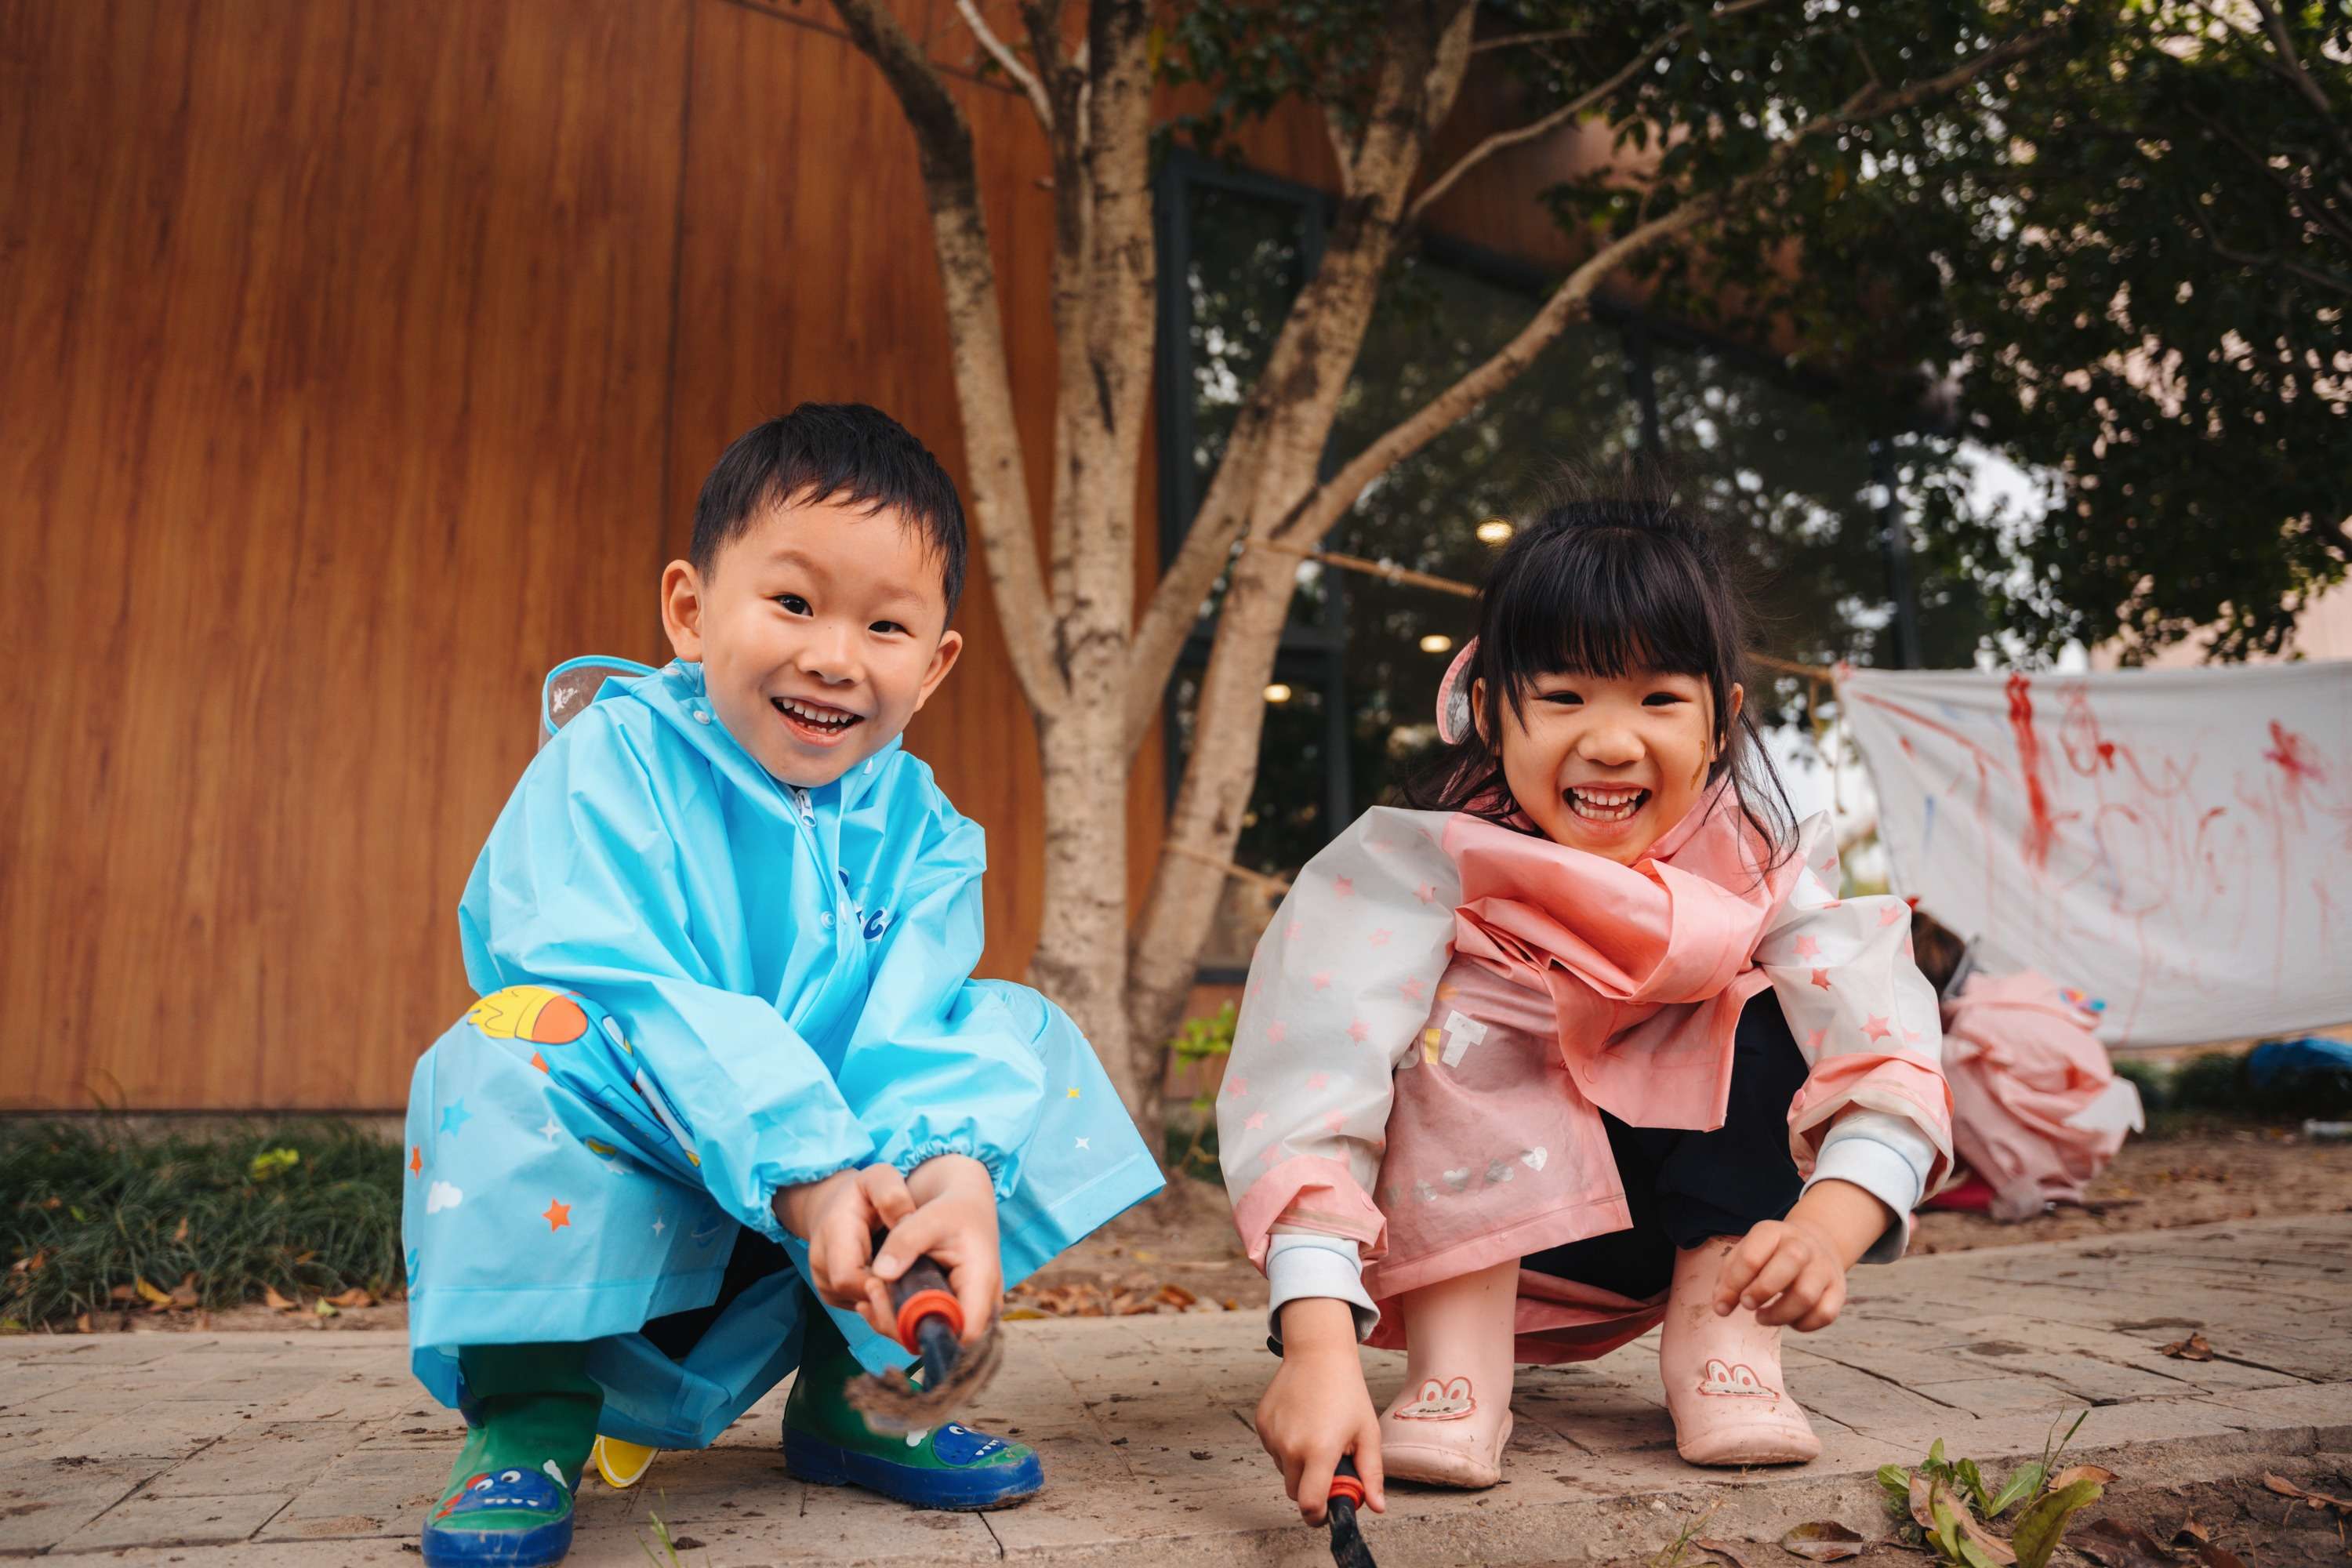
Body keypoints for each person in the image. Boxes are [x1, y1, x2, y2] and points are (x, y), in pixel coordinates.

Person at [401, 405, 1162, 1567]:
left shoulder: (927, 835)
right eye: (795, 603)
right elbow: (613, 979)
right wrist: (803, 1163)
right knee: (505, 1048)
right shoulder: (608, 764)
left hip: (835, 1206)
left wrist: (954, 1175)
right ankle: (530, 1415)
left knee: (1016, 1031)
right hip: (641, 1165)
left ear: (936, 663)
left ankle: (862, 1395)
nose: (835, 656)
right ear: (691, 611)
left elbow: (917, 1034)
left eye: (888, 625)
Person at [1219, 483, 1952, 1520]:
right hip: (1485, 1240)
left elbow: (1884, 1041)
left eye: (1658, 700)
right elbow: (1311, 1080)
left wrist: (1828, 1230)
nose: (1611, 743)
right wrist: (1316, 1340)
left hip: (1686, 1230)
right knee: (1456, 1005)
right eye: (1562, 697)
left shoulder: (1763, 869)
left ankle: (1724, 1339)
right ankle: (1457, 1369)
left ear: (1721, 723)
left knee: (1761, 996)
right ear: (1488, 713)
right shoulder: (1422, 869)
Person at [1911, 911, 2140, 1221]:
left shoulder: (1977, 1019)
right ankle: (2003, 1176)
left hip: (2071, 1137)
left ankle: (2005, 1181)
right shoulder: (2004, 995)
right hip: (2088, 1129)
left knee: (1943, 1063)